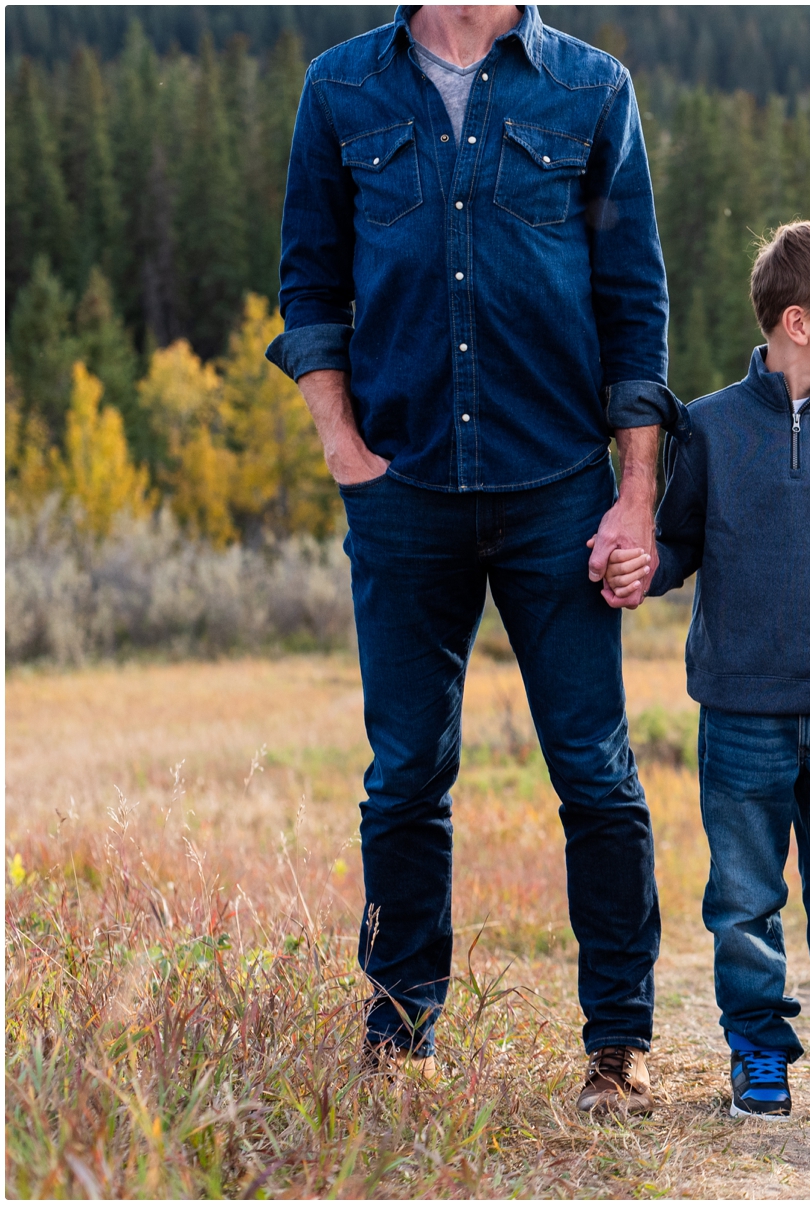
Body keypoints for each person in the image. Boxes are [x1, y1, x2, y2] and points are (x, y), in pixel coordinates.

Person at [266, 5, 683, 1114]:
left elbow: (635, 301)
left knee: (595, 772)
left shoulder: (591, 88)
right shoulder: (341, 87)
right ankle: (401, 1036)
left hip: (559, 488)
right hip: (400, 490)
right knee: (405, 774)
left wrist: (635, 495)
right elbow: (309, 283)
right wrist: (342, 447)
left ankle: (619, 1043)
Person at [603, 221, 810, 1121]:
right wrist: (642, 566)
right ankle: (757, 1054)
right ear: (798, 321)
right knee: (743, 898)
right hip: (740, 715)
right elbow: (676, 541)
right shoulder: (709, 427)